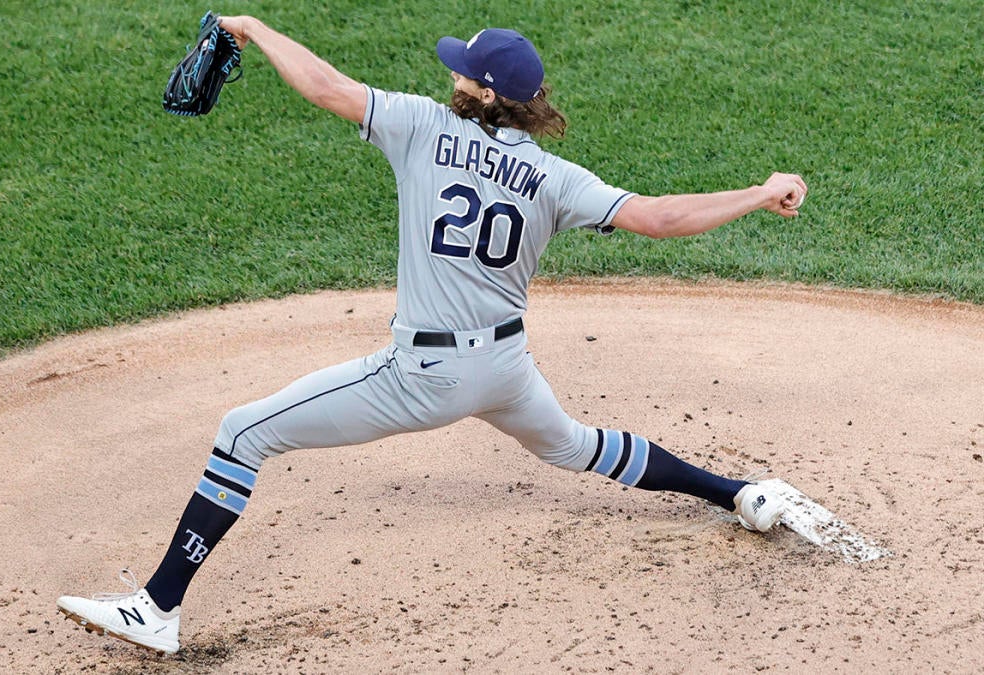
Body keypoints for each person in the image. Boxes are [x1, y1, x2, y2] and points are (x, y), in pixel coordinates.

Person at [56, 16, 806, 655]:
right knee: (578, 447)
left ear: (482, 93)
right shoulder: (556, 178)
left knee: (242, 432)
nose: (453, 78)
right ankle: (738, 493)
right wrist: (760, 192)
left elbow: (324, 86)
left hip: (421, 376)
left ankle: (156, 608)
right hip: (508, 369)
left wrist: (254, 29)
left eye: (464, 74)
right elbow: (662, 217)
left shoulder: (419, 125)